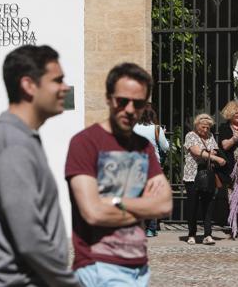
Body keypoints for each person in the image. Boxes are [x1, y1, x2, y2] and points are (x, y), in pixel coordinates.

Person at [0, 45, 79, 286]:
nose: (65, 88)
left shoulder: (21, 138)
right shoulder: (13, 145)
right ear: (29, 85)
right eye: (58, 80)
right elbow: (30, 239)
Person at [65, 63, 173, 286]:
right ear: (108, 98)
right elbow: (93, 213)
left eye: (139, 103)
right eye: (122, 101)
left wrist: (116, 202)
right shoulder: (85, 143)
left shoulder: (142, 147)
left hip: (138, 267)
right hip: (98, 266)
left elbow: (164, 205)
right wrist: (143, 206)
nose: (130, 109)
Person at [183, 113, 227, 245]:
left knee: (208, 205)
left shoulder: (210, 136)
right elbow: (196, 151)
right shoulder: (190, 135)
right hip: (192, 175)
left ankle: (207, 234)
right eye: (203, 127)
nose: (206, 130)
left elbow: (214, 149)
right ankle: (191, 234)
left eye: (208, 127)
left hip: (208, 175)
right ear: (197, 126)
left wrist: (209, 154)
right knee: (193, 205)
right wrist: (214, 157)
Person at [133, 103, 170, 237]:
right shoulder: (156, 129)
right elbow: (165, 147)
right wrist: (163, 135)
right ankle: (151, 229)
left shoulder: (133, 128)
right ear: (152, 116)